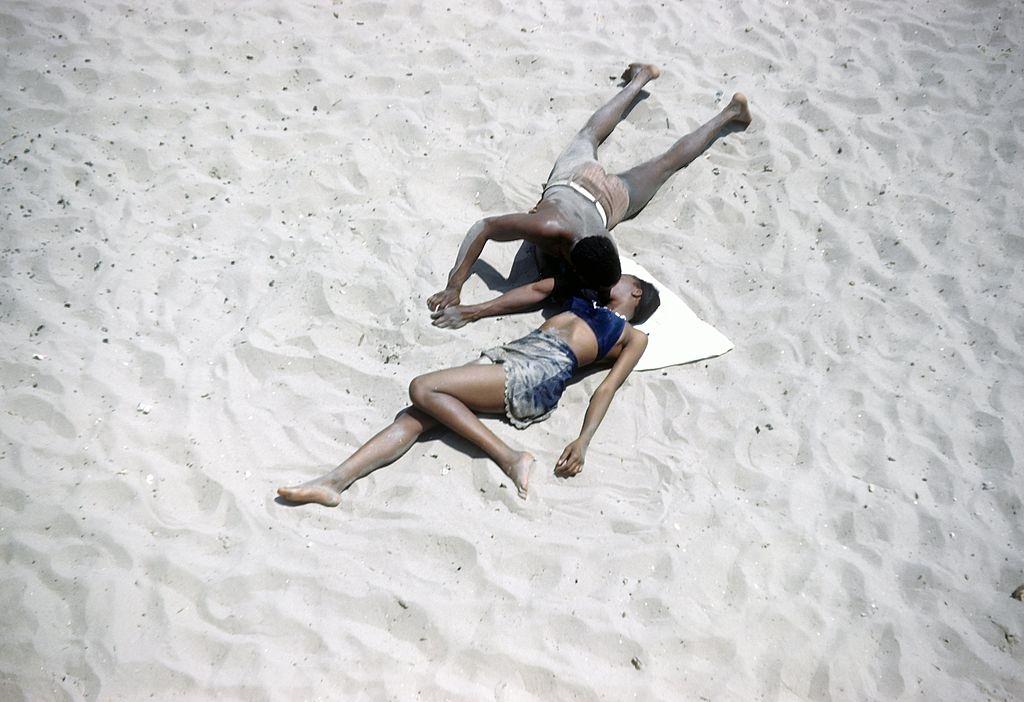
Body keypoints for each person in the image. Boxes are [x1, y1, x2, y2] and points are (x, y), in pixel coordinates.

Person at [277, 274, 661, 507]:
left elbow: (608, 388)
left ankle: (510, 458)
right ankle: (334, 482)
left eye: (624, 278)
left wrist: (583, 441)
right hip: (512, 356)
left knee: (423, 387)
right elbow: (537, 288)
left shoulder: (633, 336)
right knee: (416, 416)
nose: (617, 277)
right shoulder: (585, 296)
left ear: (636, 293)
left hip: (540, 372)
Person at [426, 62, 750, 313]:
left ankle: (642, 78)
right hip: (599, 197)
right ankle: (730, 112)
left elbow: (486, 227)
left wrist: (458, 290)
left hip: (592, 193)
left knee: (591, 136)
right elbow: (483, 228)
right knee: (664, 164)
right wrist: (455, 285)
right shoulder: (555, 229)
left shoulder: (571, 239)